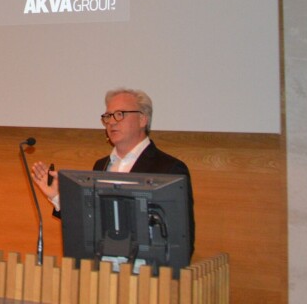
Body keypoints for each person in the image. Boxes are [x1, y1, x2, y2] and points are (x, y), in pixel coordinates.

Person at [31, 87, 195, 253]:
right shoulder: (101, 166)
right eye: (108, 116)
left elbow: (182, 241)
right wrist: (58, 196)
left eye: (120, 114)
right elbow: (91, 226)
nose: (111, 121)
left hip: (146, 274)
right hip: (101, 272)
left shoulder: (169, 169)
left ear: (142, 119)